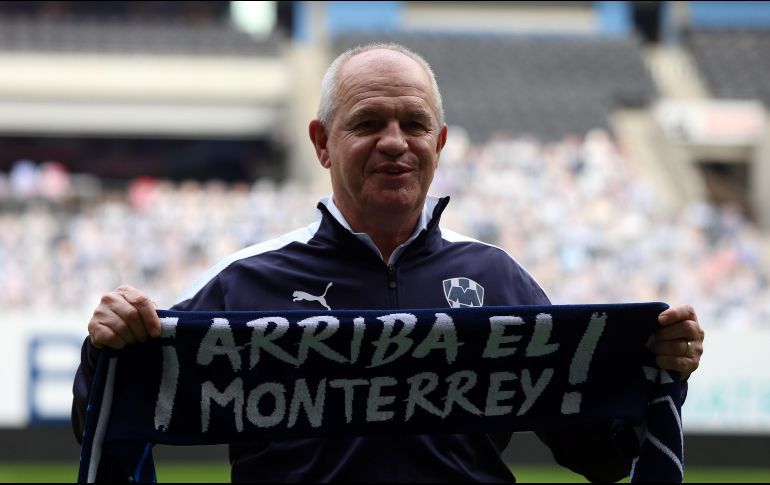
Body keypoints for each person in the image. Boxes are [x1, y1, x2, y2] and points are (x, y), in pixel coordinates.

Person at [72, 43, 705, 482]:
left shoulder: (498, 279)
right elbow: (111, 417)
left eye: (414, 123)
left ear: (441, 142)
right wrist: (107, 349)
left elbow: (600, 457)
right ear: (322, 143)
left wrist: (658, 373)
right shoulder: (247, 281)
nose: (395, 142)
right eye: (368, 122)